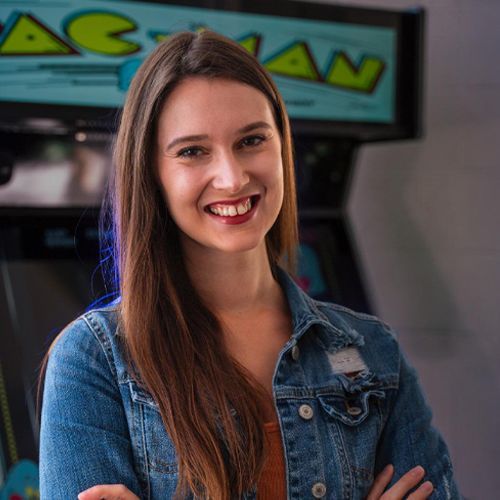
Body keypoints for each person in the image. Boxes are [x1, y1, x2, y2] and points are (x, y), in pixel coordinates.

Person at [39, 31, 461, 500]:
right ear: (152, 173)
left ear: (282, 147)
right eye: (193, 151)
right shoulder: (93, 360)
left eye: (251, 140)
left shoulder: (373, 351)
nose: (232, 177)